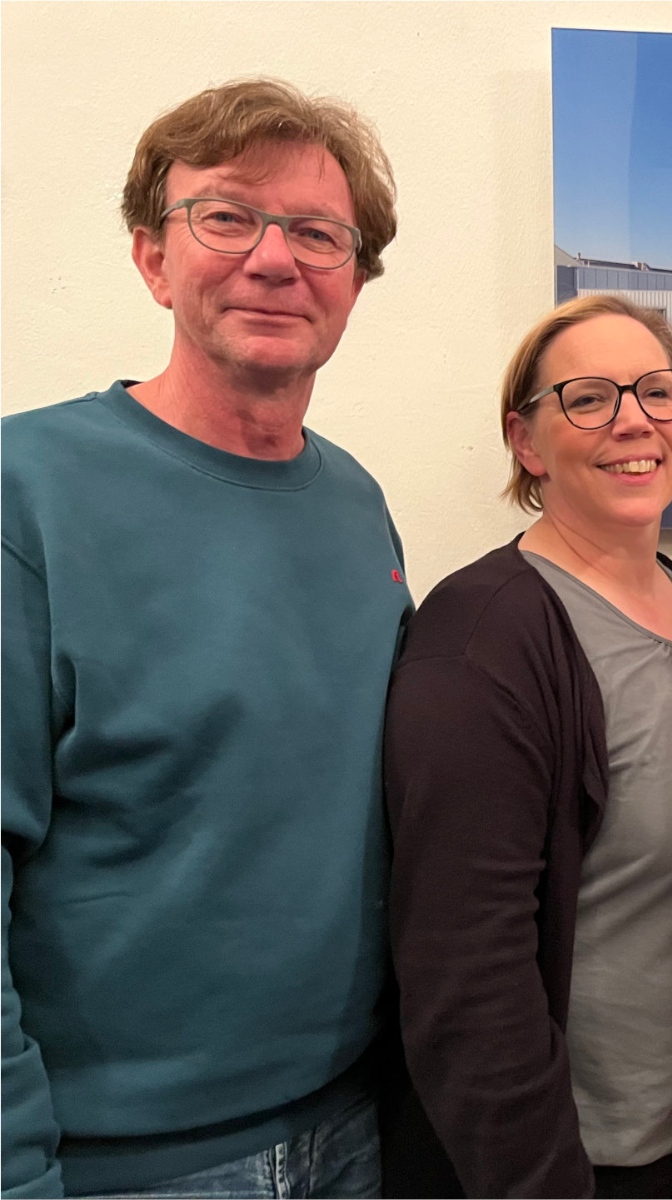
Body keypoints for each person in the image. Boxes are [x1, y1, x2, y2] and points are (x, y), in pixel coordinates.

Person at [1, 79, 407, 1198]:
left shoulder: (356, 504)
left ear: (354, 281)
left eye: (318, 233)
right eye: (226, 216)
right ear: (151, 256)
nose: (274, 259)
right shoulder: (23, 497)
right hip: (117, 1166)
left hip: (351, 1132)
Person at [384, 294, 672, 1199]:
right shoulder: (483, 639)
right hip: (579, 1165)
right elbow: (464, 974)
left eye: (658, 393)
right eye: (589, 397)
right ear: (527, 441)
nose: (635, 420)